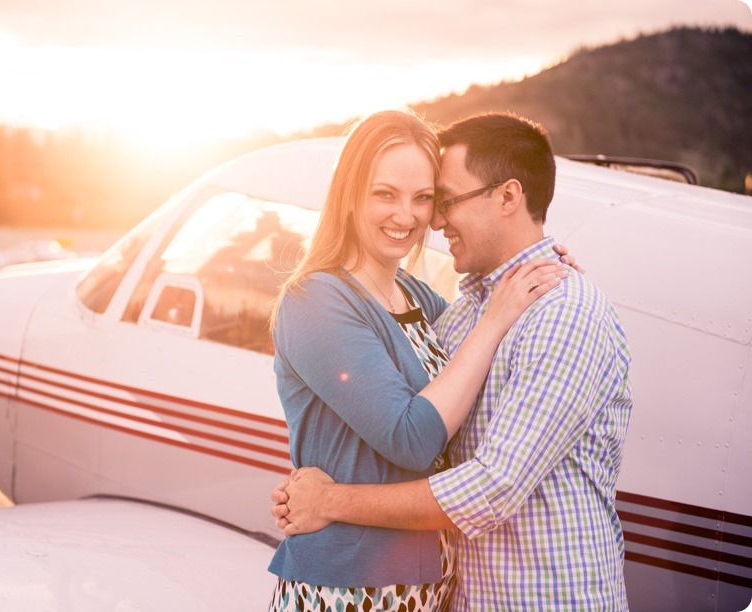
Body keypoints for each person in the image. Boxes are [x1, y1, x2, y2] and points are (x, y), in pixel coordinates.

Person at [271, 111, 633, 611]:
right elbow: (413, 434)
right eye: (385, 193)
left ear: (508, 197)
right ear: (349, 193)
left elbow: (487, 480)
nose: (425, 219)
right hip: (352, 589)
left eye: (432, 199)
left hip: (485, 593)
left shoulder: (482, 307)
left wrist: (329, 500)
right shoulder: (330, 301)